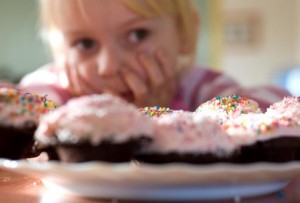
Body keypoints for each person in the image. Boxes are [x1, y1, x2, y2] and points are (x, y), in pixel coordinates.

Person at [19, 0, 289, 111]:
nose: (108, 66)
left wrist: (165, 115)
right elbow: (17, 110)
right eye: (85, 43)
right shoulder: (55, 86)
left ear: (184, 34)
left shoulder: (200, 86)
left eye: (137, 35)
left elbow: (275, 109)